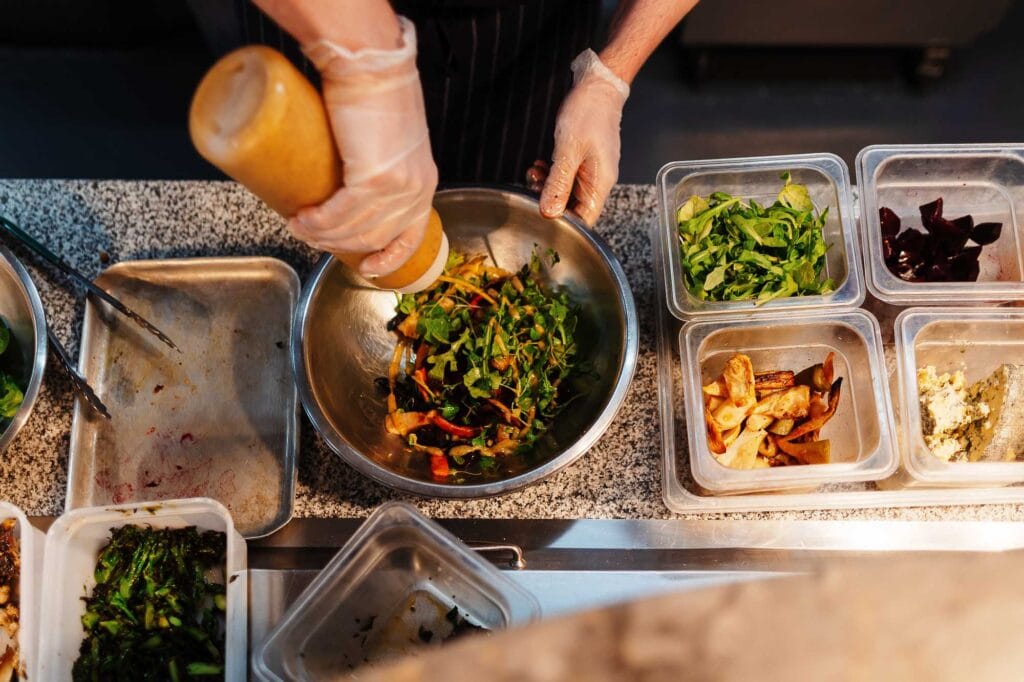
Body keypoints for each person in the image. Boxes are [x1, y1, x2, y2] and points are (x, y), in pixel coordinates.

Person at [218, 0, 698, 279]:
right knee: (327, 213)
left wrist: (608, 77)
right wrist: (363, 64)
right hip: (321, 20)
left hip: (521, 31)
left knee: (512, 193)